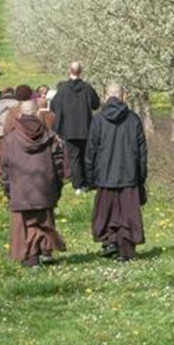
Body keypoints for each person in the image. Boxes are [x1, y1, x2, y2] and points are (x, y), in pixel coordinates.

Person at [0, 99, 67, 267]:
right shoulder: (49, 136)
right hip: (44, 186)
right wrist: (57, 184)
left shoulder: (10, 138)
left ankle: (31, 257)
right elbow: (59, 162)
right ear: (37, 113)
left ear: (20, 114)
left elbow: (4, 167)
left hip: (21, 190)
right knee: (45, 220)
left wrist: (8, 188)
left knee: (25, 224)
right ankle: (46, 250)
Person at [85, 83, 148, 262]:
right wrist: (141, 176)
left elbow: (91, 151)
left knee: (107, 212)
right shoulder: (134, 120)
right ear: (124, 96)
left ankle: (111, 241)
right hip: (129, 174)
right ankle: (125, 250)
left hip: (105, 175)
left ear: (106, 96)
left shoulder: (98, 119)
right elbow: (142, 153)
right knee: (128, 214)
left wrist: (90, 178)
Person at [50, 62, 100, 193]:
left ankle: (78, 185)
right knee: (87, 156)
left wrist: (59, 127)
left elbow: (53, 106)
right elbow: (96, 104)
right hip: (86, 128)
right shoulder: (87, 88)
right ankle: (89, 183)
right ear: (81, 71)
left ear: (69, 71)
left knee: (74, 157)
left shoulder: (63, 90)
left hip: (69, 129)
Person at [0, 87, 18, 172]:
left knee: (0, 154)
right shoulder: (17, 104)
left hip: (0, 132)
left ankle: (0, 172)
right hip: (14, 132)